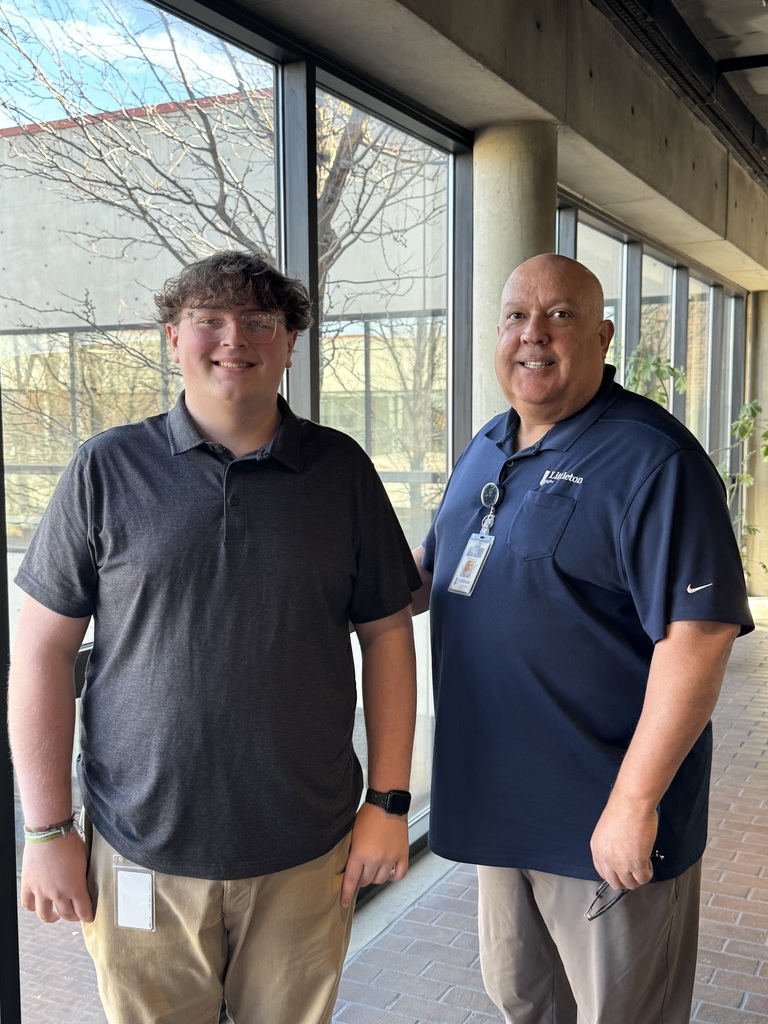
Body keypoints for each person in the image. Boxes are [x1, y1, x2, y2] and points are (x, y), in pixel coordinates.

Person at [9, 249, 420, 1024]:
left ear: (289, 342)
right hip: (141, 850)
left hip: (305, 849)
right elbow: (40, 652)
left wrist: (389, 803)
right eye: (209, 320)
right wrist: (48, 828)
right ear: (174, 338)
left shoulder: (341, 472)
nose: (235, 338)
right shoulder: (106, 469)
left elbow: (389, 639)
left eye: (260, 321)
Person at [411, 253, 754, 1024]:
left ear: (601, 335)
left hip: (602, 820)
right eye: (515, 316)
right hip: (501, 809)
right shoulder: (487, 446)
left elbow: (698, 639)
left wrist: (634, 803)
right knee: (525, 1001)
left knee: (620, 1013)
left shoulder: (654, 459)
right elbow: (428, 573)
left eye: (559, 315)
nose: (533, 334)